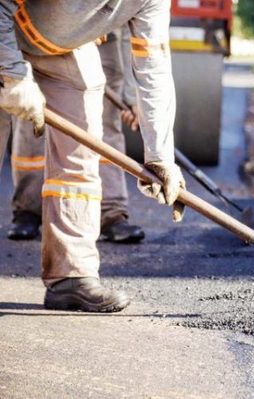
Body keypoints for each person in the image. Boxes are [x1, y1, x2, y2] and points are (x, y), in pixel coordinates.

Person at [0, 1, 186, 313]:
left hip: (61, 48)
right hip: (4, 29)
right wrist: (13, 73)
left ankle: (71, 275)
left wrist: (160, 155)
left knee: (81, 143)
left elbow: (153, 64)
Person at [8, 29, 145, 244]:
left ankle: (111, 213)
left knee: (104, 122)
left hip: (103, 40)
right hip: (37, 35)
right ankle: (28, 210)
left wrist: (132, 95)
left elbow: (139, 36)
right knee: (32, 119)